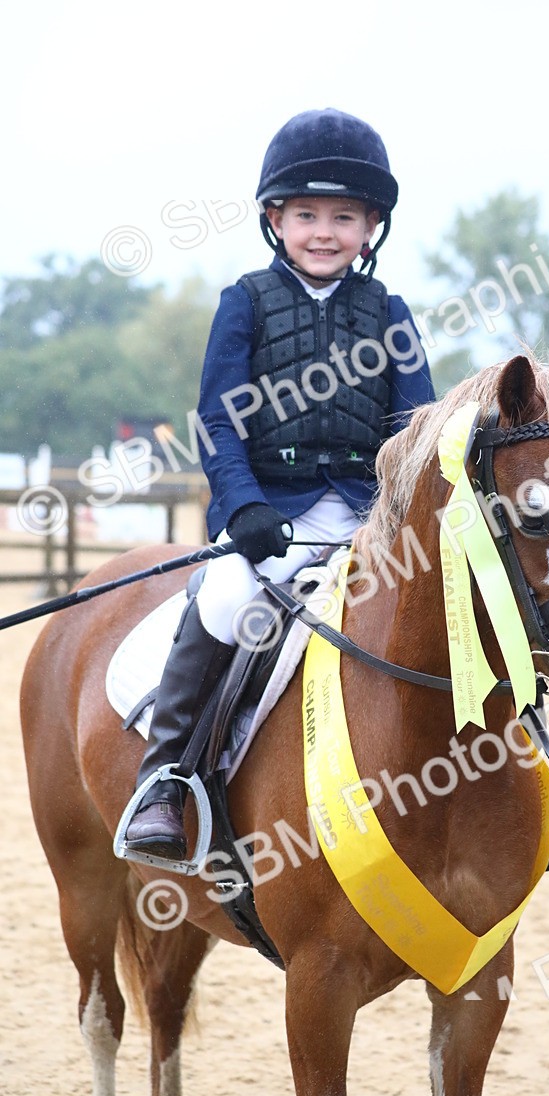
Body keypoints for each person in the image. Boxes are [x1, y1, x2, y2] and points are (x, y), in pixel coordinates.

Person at [124, 108, 435, 861]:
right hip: (270, 511)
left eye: (343, 216)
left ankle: (488, 787)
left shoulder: (390, 312)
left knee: (446, 601)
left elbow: (416, 426)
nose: (323, 231)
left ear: (370, 228)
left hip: (369, 517)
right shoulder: (246, 302)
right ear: (276, 218)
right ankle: (166, 780)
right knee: (228, 602)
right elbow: (218, 422)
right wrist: (243, 507)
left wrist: (405, 515)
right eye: (306, 214)